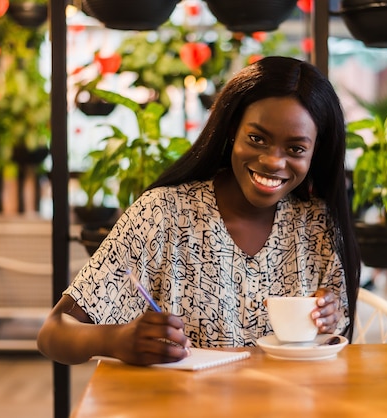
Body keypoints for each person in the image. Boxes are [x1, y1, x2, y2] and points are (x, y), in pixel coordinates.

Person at [37, 56, 361, 366]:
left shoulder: (317, 225)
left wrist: (326, 321)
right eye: (257, 138)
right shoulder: (162, 215)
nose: (274, 161)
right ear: (232, 129)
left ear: (316, 151)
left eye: (296, 149)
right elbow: (53, 333)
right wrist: (116, 340)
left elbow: (335, 343)